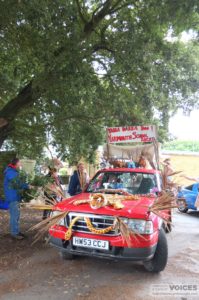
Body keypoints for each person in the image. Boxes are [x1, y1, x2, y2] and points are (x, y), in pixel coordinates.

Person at [4, 158, 29, 240]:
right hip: (13, 197)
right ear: (16, 163)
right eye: (20, 163)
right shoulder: (10, 172)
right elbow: (17, 182)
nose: (21, 164)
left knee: (16, 215)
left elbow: (20, 180)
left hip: (15, 196)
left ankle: (16, 231)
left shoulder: (13, 171)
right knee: (14, 216)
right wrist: (27, 186)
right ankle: (14, 233)